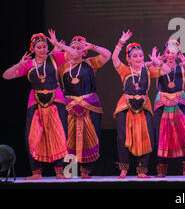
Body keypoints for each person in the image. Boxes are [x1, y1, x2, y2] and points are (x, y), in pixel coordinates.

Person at [2, 30, 81, 179]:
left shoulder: (55, 58)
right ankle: (36, 172)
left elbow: (75, 55)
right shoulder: (28, 65)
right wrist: (19, 64)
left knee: (60, 135)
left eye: (44, 46)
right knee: (32, 136)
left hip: (55, 100)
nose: (43, 49)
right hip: (35, 102)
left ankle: (61, 171)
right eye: (39, 47)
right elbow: (6, 76)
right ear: (33, 49)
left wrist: (56, 43)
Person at [111, 30, 170, 179]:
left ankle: (142, 170)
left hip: (144, 106)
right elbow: (113, 58)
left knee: (147, 137)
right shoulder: (124, 70)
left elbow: (167, 70)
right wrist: (121, 42)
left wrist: (157, 62)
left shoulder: (148, 71)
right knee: (122, 137)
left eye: (141, 56)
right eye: (135, 56)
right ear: (129, 59)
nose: (138, 58)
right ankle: (123, 169)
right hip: (126, 106)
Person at [58, 36, 111, 179]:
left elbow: (107, 55)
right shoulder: (62, 67)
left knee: (91, 137)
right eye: (72, 47)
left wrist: (92, 46)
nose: (74, 50)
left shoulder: (90, 64)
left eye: (78, 48)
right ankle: (70, 171)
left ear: (84, 52)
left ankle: (86, 171)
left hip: (90, 105)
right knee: (69, 139)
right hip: (70, 106)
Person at [152, 40, 185, 177]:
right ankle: (161, 169)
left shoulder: (182, 67)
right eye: (168, 52)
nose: (170, 55)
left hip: (180, 101)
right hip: (162, 102)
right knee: (161, 135)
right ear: (164, 53)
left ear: (178, 54)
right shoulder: (157, 67)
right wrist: (156, 62)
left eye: (173, 52)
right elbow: (158, 70)